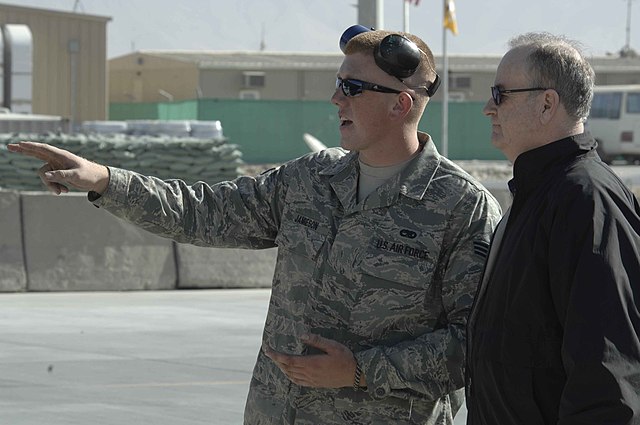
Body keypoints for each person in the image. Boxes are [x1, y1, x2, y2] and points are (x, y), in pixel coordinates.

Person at [10, 26, 501, 424]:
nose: (335, 98)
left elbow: (477, 344)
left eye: (352, 87)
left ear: (401, 103)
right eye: (338, 83)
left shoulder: (462, 208)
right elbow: (202, 211)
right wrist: (104, 180)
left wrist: (359, 372)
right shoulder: (309, 179)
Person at [466, 32, 640, 425]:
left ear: (547, 104)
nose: (487, 108)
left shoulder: (586, 200)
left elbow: (608, 375)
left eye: (500, 94)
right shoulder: (540, 192)